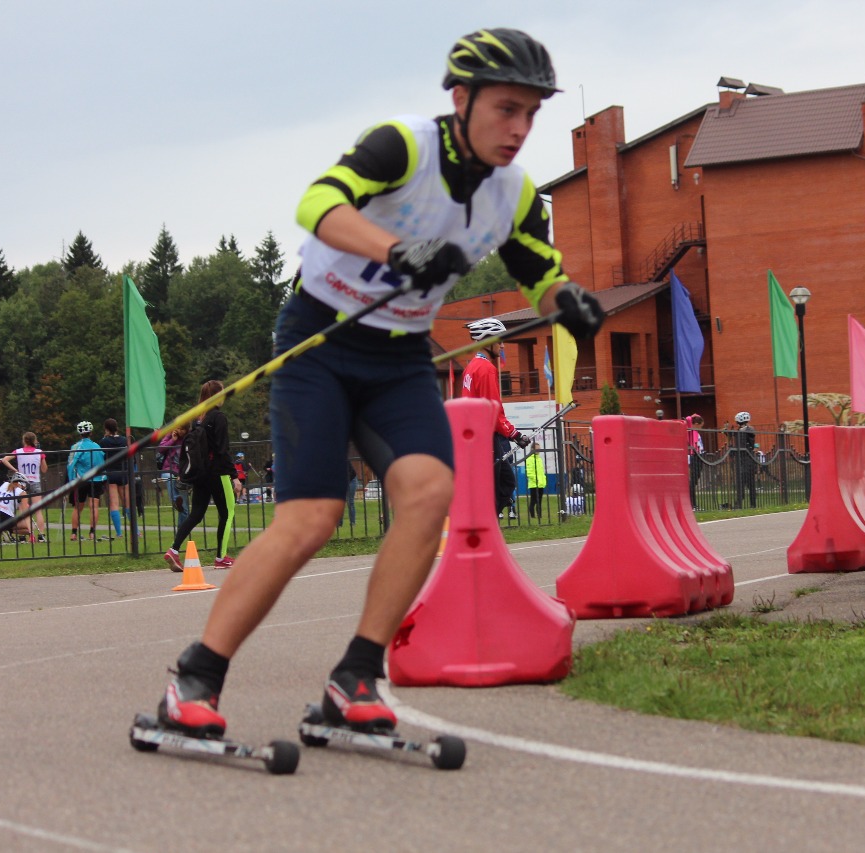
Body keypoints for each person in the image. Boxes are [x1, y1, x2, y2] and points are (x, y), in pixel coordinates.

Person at [151, 28, 603, 740]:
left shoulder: (512, 194)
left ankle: (354, 676)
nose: (518, 128)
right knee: (312, 516)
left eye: (531, 113)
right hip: (320, 338)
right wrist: (397, 249)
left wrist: (567, 301)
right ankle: (195, 678)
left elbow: (539, 272)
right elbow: (317, 206)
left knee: (429, 493)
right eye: (506, 108)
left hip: (398, 360)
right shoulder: (403, 145)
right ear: (462, 97)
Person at [461, 317, 531, 520]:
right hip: (485, 438)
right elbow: (493, 409)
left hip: (475, 437)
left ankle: (485, 528)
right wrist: (514, 434)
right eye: (499, 340)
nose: (502, 345)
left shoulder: (471, 366)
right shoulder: (486, 369)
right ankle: (484, 531)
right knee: (498, 487)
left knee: (504, 482)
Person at [163, 380, 237, 571]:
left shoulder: (199, 419)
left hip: (201, 473)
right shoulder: (218, 417)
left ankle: (174, 550)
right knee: (227, 512)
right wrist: (234, 476)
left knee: (196, 514)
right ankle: (221, 557)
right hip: (218, 473)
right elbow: (222, 450)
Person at [2, 432, 48, 541]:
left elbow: (4, 460)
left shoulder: (19, 451)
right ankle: (41, 535)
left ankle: (23, 534)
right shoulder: (39, 452)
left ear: (24, 441)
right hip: (35, 481)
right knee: (38, 510)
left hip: (22, 483)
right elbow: (44, 469)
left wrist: (15, 470)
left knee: (23, 510)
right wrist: (41, 457)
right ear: (34, 441)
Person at [67, 421, 106, 541]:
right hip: (97, 479)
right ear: (91, 433)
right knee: (94, 507)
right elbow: (102, 463)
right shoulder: (97, 446)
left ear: (79, 434)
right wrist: (104, 478)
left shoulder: (76, 446)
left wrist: (71, 480)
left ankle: (74, 533)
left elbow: (71, 464)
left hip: (81, 479)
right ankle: (92, 533)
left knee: (78, 507)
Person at [99, 418, 132, 539]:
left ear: (106, 429)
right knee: (127, 503)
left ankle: (119, 533)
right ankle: (136, 531)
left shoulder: (103, 442)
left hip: (111, 472)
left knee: (114, 503)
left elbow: (100, 456)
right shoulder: (124, 440)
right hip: (123, 471)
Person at [156, 426, 190, 530]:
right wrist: (172, 440)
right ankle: (176, 500)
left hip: (183, 472)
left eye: (183, 429)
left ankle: (181, 533)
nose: (180, 431)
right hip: (169, 469)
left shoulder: (189, 438)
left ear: (187, 430)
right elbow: (160, 448)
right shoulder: (170, 434)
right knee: (169, 478)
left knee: (184, 509)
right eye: (179, 428)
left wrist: (183, 474)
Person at [730, 411, 757, 510]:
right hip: (749, 459)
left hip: (744, 460)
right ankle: (752, 504)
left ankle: (738, 504)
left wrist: (732, 450)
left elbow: (739, 446)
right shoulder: (748, 430)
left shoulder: (743, 432)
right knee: (750, 484)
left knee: (741, 483)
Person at [686, 414, 704, 511]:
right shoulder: (691, 432)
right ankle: (692, 504)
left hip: (698, 456)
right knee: (692, 482)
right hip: (695, 457)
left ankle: (693, 504)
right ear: (696, 424)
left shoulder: (695, 432)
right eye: (701, 425)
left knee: (693, 482)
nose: (701, 428)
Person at [525, 441, 547, 520]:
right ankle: (532, 515)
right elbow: (530, 472)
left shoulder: (539, 459)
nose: (538, 451)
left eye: (539, 449)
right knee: (533, 500)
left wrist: (543, 479)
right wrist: (536, 479)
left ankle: (539, 515)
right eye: (537, 449)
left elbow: (541, 471)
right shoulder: (529, 459)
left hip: (541, 483)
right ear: (532, 449)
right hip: (534, 484)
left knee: (539, 500)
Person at [343, 460, 359, 528]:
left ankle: (352, 523)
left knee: (350, 502)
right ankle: (339, 524)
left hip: (352, 480)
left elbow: (351, 472)